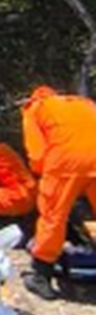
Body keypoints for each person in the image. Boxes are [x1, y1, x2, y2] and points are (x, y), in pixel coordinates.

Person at [21, 86, 96, 300]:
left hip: (65, 162)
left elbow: (36, 154)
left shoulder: (36, 108)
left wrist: (43, 174)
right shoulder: (85, 103)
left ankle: (41, 274)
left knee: (53, 216)